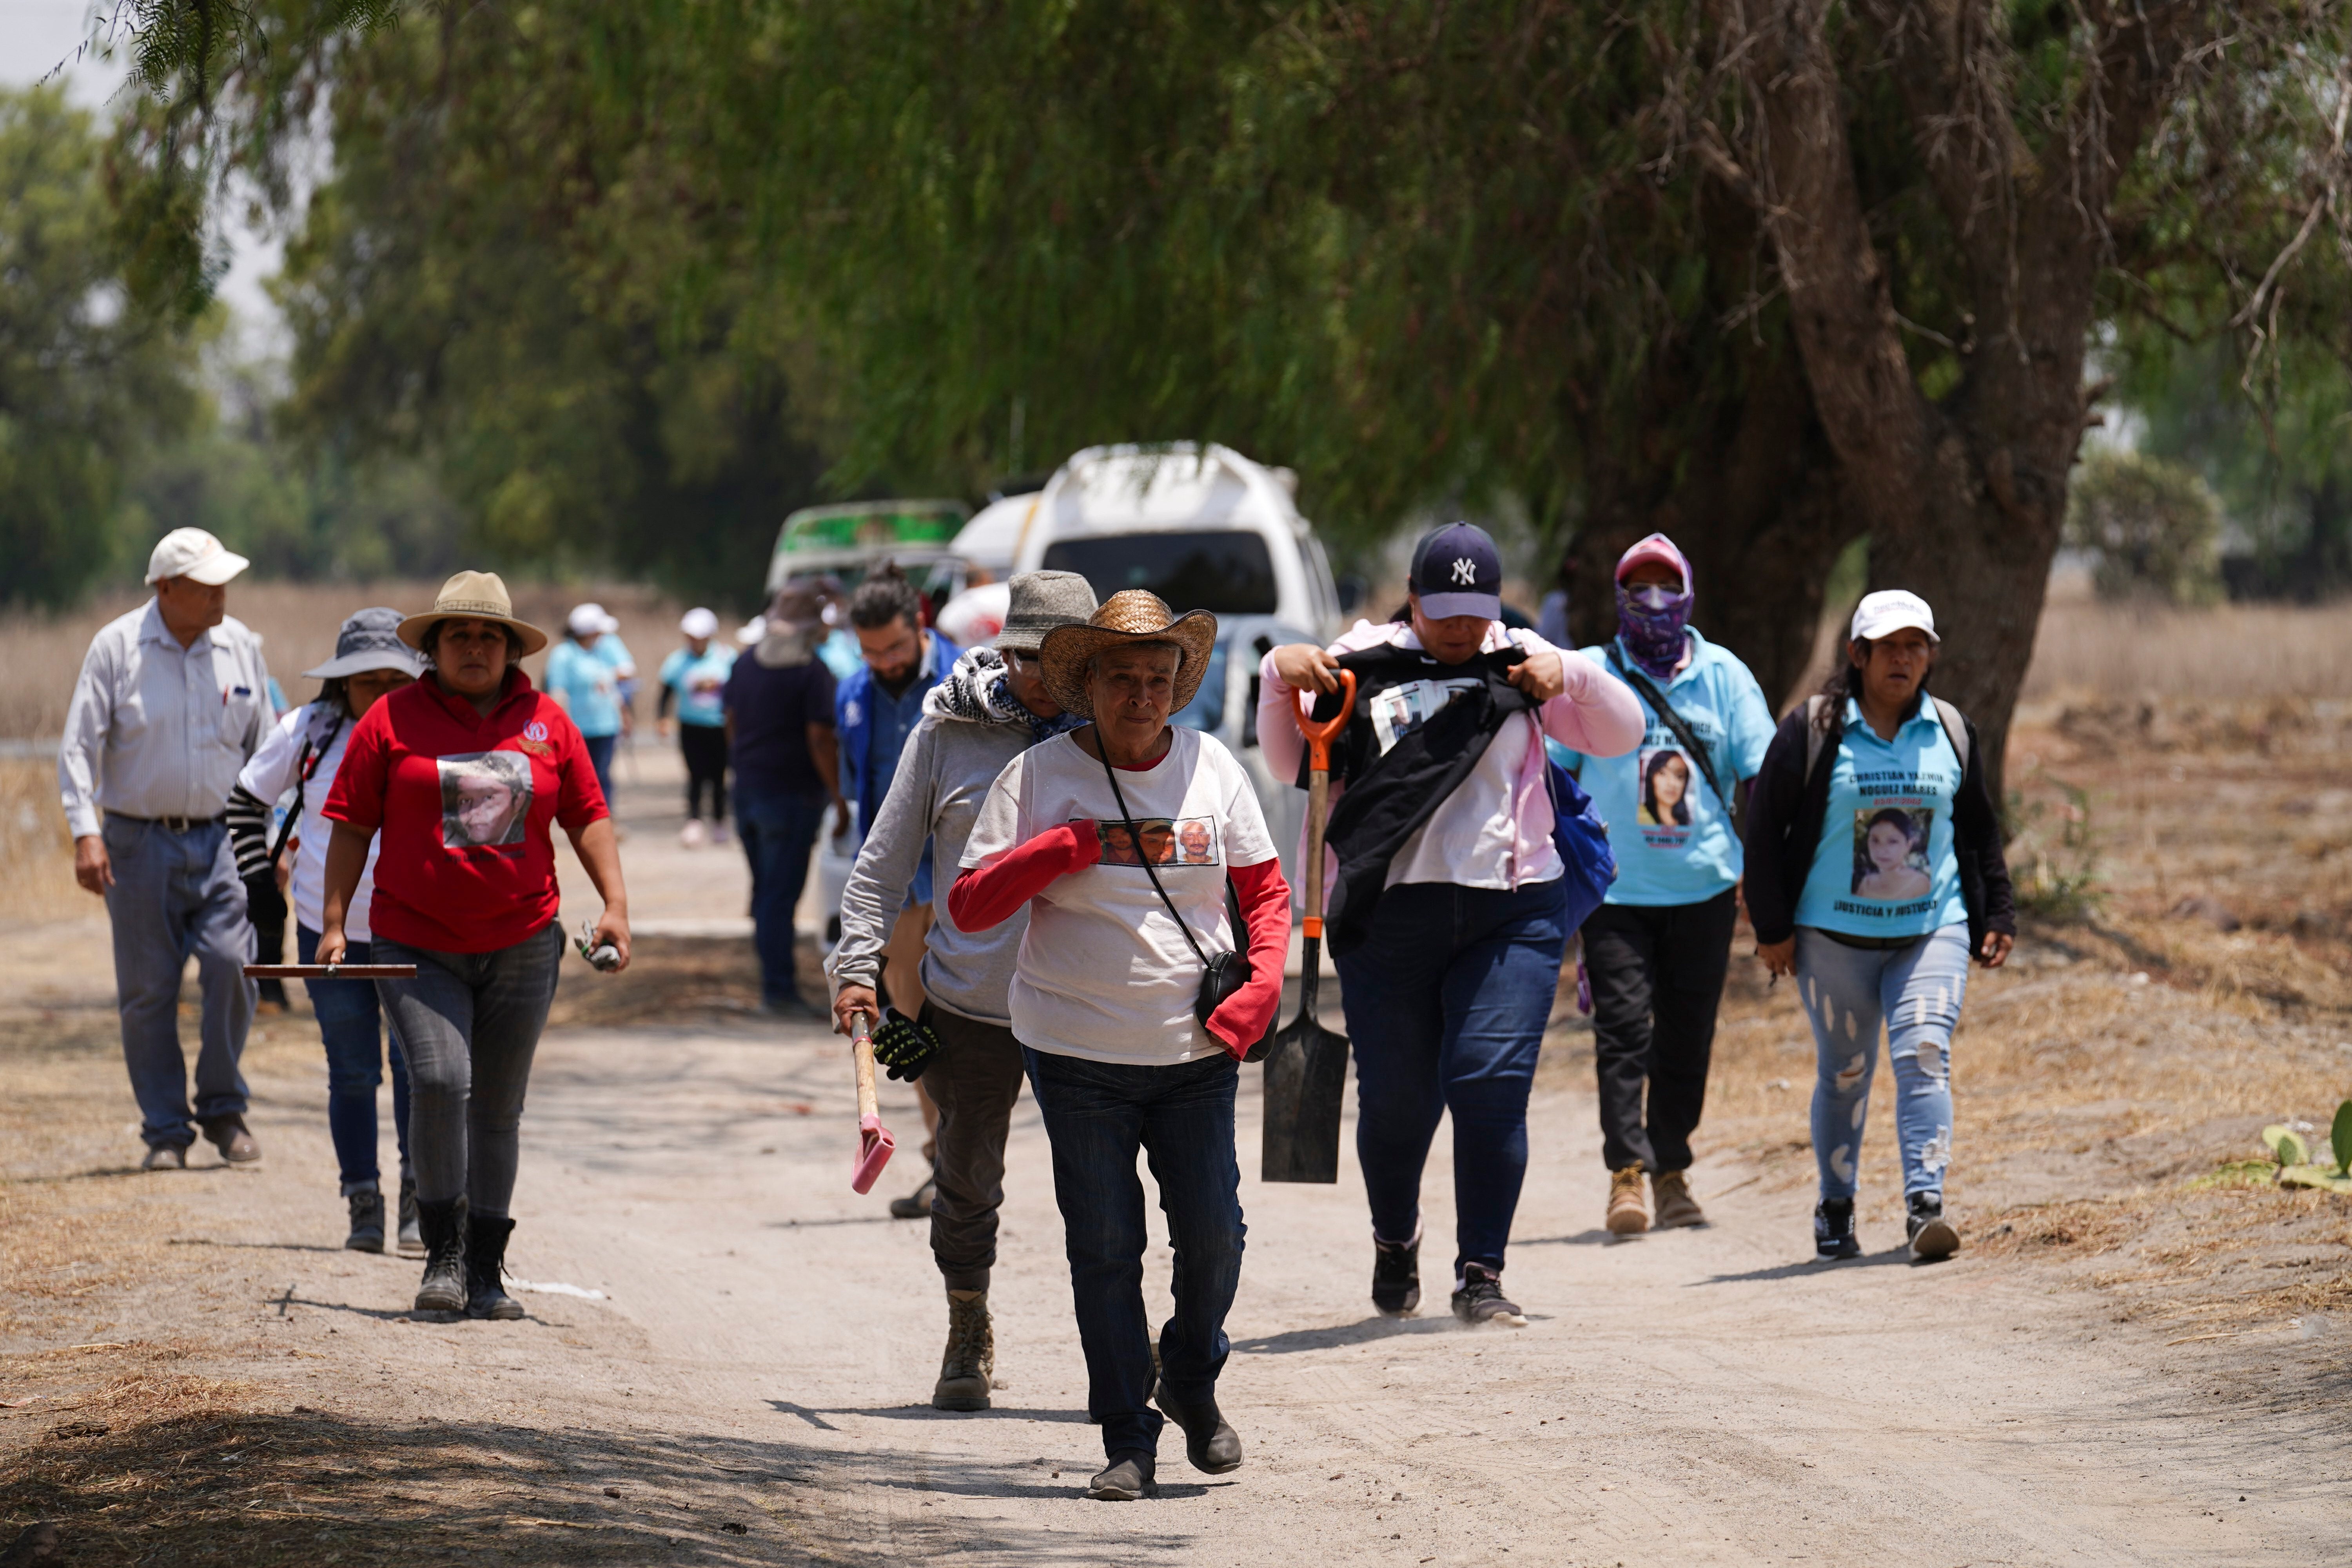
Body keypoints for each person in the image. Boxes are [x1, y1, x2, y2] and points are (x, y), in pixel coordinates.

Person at [949, 590, 1289, 1501]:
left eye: (1157, 678)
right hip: (1074, 1052)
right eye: (1122, 678)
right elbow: (971, 902)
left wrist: (1259, 989)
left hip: (1194, 1056)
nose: (1142, 695)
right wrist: (1058, 848)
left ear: (1178, 685)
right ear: (1087, 684)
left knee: (1216, 1238)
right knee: (1105, 1245)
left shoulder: (1215, 768)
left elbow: (1265, 896)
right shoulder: (1036, 778)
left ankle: (1189, 1374)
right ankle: (1128, 1437)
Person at [1261, 522, 1643, 1326]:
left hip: (1513, 908)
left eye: (1476, 611)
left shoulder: (1522, 659)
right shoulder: (1360, 661)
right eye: (1444, 613)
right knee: (1398, 1103)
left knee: (1488, 1083)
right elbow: (1290, 763)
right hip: (1388, 914)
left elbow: (1622, 732)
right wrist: (1276, 676)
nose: (1463, 628)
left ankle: (1482, 1271)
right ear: (1412, 600)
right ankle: (1395, 1235)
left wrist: (1570, 672)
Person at [317, 572, 631, 1319]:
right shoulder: (389, 720)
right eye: (458, 634)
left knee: (497, 1108)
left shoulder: (548, 722)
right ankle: (444, 1252)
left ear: (510, 648)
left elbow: (587, 817)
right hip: (415, 940)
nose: (475, 647)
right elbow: (352, 825)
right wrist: (334, 924)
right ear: (432, 647)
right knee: (439, 1080)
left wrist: (616, 906)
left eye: (490, 635)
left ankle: (486, 1268)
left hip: (523, 943)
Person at [827, 570, 1098, 1413]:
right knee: (966, 1176)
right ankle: (967, 1322)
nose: (1050, 680)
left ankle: (1118, 1347)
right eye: (1034, 661)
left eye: (1071, 663)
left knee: (1104, 1185)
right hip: (973, 1002)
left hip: (1095, 1011)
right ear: (1007, 651)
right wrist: (857, 965)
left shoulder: (1123, 729)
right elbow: (882, 859)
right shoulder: (947, 730)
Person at [1742, 589, 2016, 1262]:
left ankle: (1926, 1207)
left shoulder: (1950, 729)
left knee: (1924, 1054)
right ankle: (1836, 1205)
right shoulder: (1811, 730)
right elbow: (1763, 832)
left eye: (1916, 646)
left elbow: (1979, 830)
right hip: (1833, 940)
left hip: (1931, 930)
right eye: (1889, 646)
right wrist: (1773, 928)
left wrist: (1998, 910)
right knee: (1845, 1072)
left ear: (1929, 656)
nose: (1903, 658)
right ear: (1857, 655)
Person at [1557, 534, 1776, 1237]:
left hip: (1705, 887)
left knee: (1688, 1035)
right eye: (1637, 589)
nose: (1653, 602)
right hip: (1615, 892)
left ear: (1686, 595)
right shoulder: (1590, 673)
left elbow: (1761, 774)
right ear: (1619, 597)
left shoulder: (1725, 676)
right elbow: (1550, 772)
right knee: (1622, 1030)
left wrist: (1762, 870)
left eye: (1665, 587)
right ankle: (1627, 1173)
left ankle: (1674, 1170)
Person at [60, 528, 277, 1171]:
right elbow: (77, 746)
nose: (221, 596)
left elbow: (268, 753)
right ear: (166, 588)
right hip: (136, 841)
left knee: (234, 966)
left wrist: (272, 840)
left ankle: (222, 1108)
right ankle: (164, 1129)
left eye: (224, 583)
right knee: (149, 991)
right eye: (207, 585)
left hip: (225, 839)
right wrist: (85, 830)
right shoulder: (117, 648)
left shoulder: (241, 648)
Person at [227, 610, 423, 1253]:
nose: (384, 694)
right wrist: (260, 880)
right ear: (341, 684)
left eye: (398, 679)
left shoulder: (434, 731)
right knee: (354, 1071)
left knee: (420, 1068)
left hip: (417, 930)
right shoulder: (307, 731)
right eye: (368, 682)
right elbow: (245, 800)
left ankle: (420, 1202)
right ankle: (362, 1201)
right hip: (328, 931)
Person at [837, 564, 962, 1207]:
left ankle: (975, 1165)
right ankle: (945, 1166)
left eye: (892, 647)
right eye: (869, 652)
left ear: (920, 626)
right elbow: (858, 775)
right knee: (914, 1030)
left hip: (964, 880)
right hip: (899, 891)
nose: (882, 662)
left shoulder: (968, 680)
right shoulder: (853, 692)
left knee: (985, 1028)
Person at [725, 588, 845, 1014]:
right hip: (793, 797)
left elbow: (731, 723)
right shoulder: (812, 672)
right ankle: (777, 992)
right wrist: (839, 797)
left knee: (766, 894)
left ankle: (774, 982)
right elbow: (820, 738)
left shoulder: (743, 664)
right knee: (779, 896)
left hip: (747, 794)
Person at [658, 606, 738, 847]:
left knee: (718, 776)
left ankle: (719, 820)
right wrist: (662, 718)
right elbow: (666, 691)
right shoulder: (677, 661)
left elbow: (737, 691)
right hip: (691, 727)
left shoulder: (726, 657)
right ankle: (693, 821)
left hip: (720, 727)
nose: (694, 641)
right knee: (695, 775)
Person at [543, 603, 633, 806]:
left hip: (606, 726)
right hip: (578, 730)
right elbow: (558, 693)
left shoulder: (602, 650)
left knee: (603, 775)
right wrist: (560, 729)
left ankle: (606, 819)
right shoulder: (563, 655)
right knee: (579, 778)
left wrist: (624, 714)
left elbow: (619, 681)